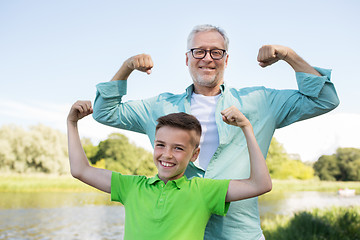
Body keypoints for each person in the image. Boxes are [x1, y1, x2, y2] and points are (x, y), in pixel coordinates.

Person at [92, 24, 340, 239]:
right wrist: (126, 68)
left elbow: (324, 99)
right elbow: (106, 112)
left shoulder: (260, 101)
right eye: (198, 51)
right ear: (187, 58)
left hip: (240, 234)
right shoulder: (160, 107)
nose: (207, 58)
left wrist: (289, 55)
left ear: (226, 59)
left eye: (216, 52)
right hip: (179, 233)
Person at [67, 100, 272, 240]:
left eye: (179, 148)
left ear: (194, 154)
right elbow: (80, 170)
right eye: (161, 145)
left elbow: (260, 184)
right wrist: (72, 123)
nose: (167, 154)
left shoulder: (203, 190)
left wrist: (246, 127)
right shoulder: (131, 187)